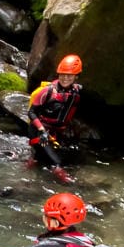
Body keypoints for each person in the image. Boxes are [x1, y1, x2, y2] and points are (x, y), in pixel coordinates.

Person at [28, 54, 83, 183]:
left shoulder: (75, 91)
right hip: (38, 129)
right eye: (62, 75)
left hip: (56, 131)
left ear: (76, 77)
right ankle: (63, 178)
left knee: (39, 157)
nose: (65, 78)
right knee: (56, 161)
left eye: (69, 76)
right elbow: (31, 113)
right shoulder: (47, 91)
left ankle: (30, 170)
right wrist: (42, 130)